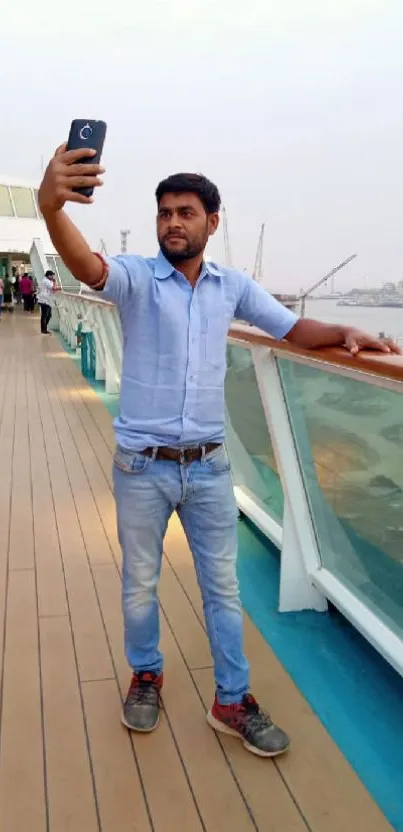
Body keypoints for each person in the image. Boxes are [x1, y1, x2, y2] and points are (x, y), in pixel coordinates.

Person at [38, 144, 400, 759]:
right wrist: (51, 209)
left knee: (224, 590)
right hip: (142, 467)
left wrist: (342, 331)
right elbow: (90, 268)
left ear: (212, 221)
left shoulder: (232, 287)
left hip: (209, 467)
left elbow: (289, 328)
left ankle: (231, 699)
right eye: (164, 213)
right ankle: (146, 674)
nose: (173, 222)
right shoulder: (135, 278)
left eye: (185, 212)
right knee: (139, 585)